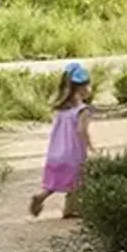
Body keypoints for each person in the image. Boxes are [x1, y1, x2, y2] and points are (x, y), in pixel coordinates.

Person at [31, 62, 94, 218]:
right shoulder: (83, 110)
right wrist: (90, 145)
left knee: (55, 182)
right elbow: (81, 130)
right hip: (73, 152)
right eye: (88, 86)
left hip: (56, 152)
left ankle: (41, 196)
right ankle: (70, 209)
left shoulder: (61, 109)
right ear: (82, 88)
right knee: (78, 180)